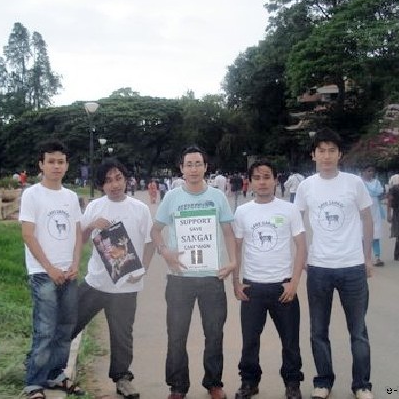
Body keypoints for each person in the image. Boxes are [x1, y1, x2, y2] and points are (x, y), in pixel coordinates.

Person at [150, 146, 237, 399]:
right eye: (189, 164)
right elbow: (156, 230)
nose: (194, 169)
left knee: (214, 333)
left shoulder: (217, 197)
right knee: (177, 334)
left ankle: (214, 383)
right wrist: (165, 252)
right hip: (180, 279)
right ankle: (178, 386)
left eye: (198, 163)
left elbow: (228, 232)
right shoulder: (172, 197)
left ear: (206, 167)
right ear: (182, 169)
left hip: (211, 277)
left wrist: (232, 262)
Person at [294, 128, 374, 399]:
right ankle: (323, 381)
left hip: (352, 267)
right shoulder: (306, 186)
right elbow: (296, 224)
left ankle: (362, 385)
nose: (326, 156)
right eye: (321, 151)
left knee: (358, 331)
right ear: (313, 155)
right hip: (319, 268)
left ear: (340, 154)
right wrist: (303, 257)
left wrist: (367, 257)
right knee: (318, 330)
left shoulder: (354, 183)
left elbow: (367, 219)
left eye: (331, 150)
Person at [72, 159, 155, 399]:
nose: (114, 184)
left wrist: (143, 269)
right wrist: (91, 226)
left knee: (122, 336)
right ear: (101, 185)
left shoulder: (139, 208)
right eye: (108, 180)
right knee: (69, 322)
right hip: (96, 283)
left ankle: (122, 379)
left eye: (118, 178)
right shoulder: (95, 207)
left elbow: (150, 242)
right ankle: (49, 367)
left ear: (126, 180)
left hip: (125, 286)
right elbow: (81, 239)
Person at [232, 159, 307, 399]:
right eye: (257, 178)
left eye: (267, 177)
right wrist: (236, 281)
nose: (262, 182)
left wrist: (294, 282)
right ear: (250, 182)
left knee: (290, 340)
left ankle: (292, 382)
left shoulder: (289, 210)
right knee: (250, 341)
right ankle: (249, 382)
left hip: (282, 287)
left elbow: (301, 246)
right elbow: (236, 248)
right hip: (252, 287)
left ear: (276, 180)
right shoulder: (242, 212)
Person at [18, 140, 85, 399]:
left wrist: (75, 264)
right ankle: (34, 383)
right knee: (45, 329)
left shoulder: (70, 197)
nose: (56, 166)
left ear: (67, 165)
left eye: (60, 162)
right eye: (51, 161)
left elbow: (77, 234)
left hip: (68, 273)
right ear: (41, 165)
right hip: (42, 273)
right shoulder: (32, 194)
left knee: (65, 328)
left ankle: (56, 375)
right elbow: (28, 234)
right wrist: (49, 268)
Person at [361, 165, 385, 266]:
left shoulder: (377, 182)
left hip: (375, 211)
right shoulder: (360, 183)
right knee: (363, 236)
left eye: (372, 171)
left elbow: (380, 192)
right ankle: (363, 258)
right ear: (363, 172)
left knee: (376, 235)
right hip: (363, 211)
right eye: (368, 171)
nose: (370, 173)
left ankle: (377, 257)